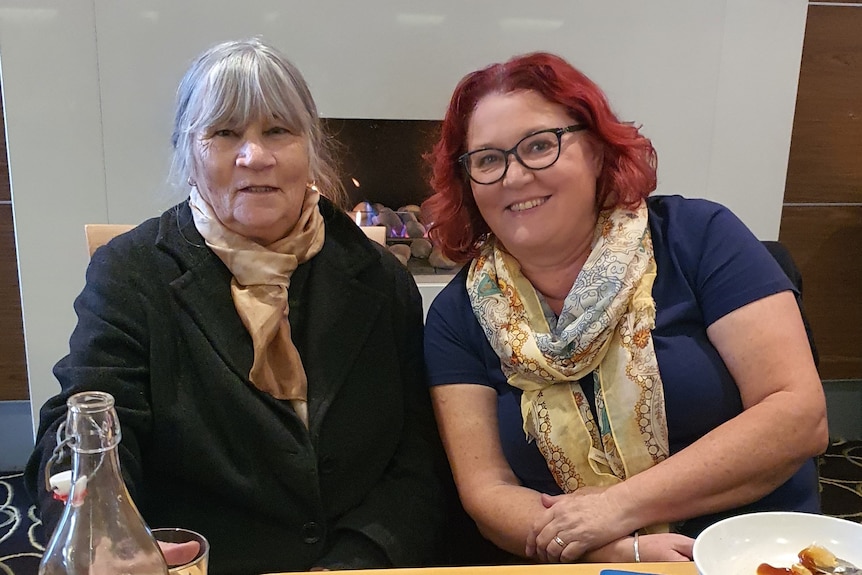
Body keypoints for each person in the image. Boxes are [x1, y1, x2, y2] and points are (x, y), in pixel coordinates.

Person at [26, 38, 448, 574]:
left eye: (278, 130)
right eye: (224, 133)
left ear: (310, 149)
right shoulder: (131, 273)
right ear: (188, 153)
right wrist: (104, 530)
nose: (255, 156)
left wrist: (359, 560)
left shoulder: (381, 278)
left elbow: (415, 460)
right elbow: (87, 419)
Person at [422, 52, 828, 564]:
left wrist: (616, 508)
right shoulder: (458, 313)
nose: (514, 175)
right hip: (582, 560)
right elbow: (487, 490)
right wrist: (615, 548)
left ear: (595, 150)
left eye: (540, 146)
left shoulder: (699, 237)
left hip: (753, 552)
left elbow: (798, 412)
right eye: (487, 159)